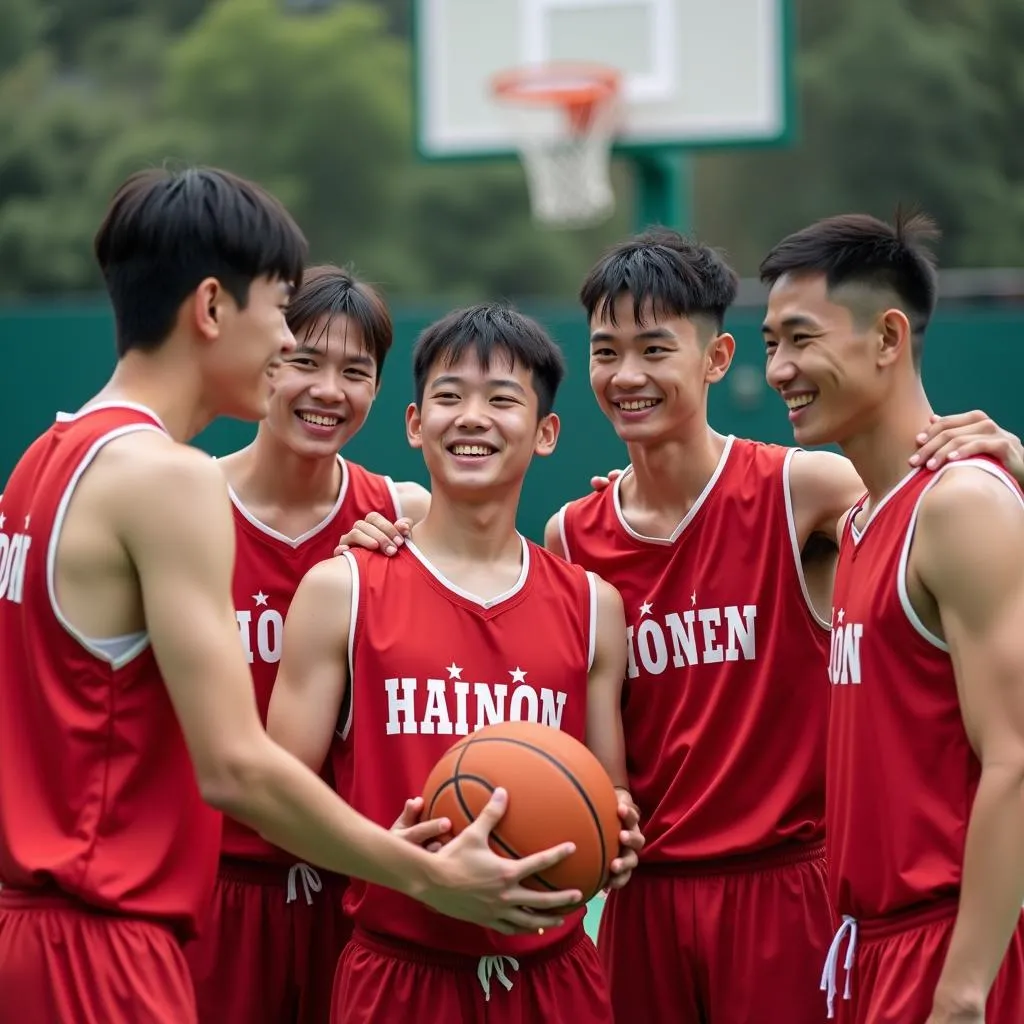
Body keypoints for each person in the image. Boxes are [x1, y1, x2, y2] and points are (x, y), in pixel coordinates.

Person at [339, 229, 1024, 1024]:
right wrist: (387, 531)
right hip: (648, 895)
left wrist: (1006, 457)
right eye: (606, 351)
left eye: (654, 349)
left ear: (716, 358)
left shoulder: (808, 490)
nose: (627, 375)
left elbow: (959, 532)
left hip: (791, 886)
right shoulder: (574, 537)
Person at [0, 167, 582, 1024]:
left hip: (39, 926)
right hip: (105, 938)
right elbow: (237, 767)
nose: (285, 344)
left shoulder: (44, 461)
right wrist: (427, 874)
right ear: (210, 308)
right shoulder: (170, 480)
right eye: (279, 313)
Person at [267, 302, 644, 1024]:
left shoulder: (595, 605)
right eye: (448, 397)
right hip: (399, 975)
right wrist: (404, 865)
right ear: (414, 424)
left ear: (546, 433)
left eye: (502, 399)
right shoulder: (342, 588)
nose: (472, 417)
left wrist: (615, 833)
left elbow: (611, 791)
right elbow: (277, 800)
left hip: (556, 980)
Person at [760, 211, 1024, 1024]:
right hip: (868, 950)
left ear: (887, 337)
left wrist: (964, 987)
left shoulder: (961, 504)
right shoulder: (866, 520)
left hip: (951, 949)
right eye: (770, 342)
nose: (778, 369)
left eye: (801, 339)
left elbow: (1015, 759)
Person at [185, 265, 431, 1024]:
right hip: (210, 885)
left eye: (355, 372)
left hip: (352, 885)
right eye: (305, 361)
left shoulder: (405, 515)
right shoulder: (182, 500)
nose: (329, 390)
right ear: (267, 361)